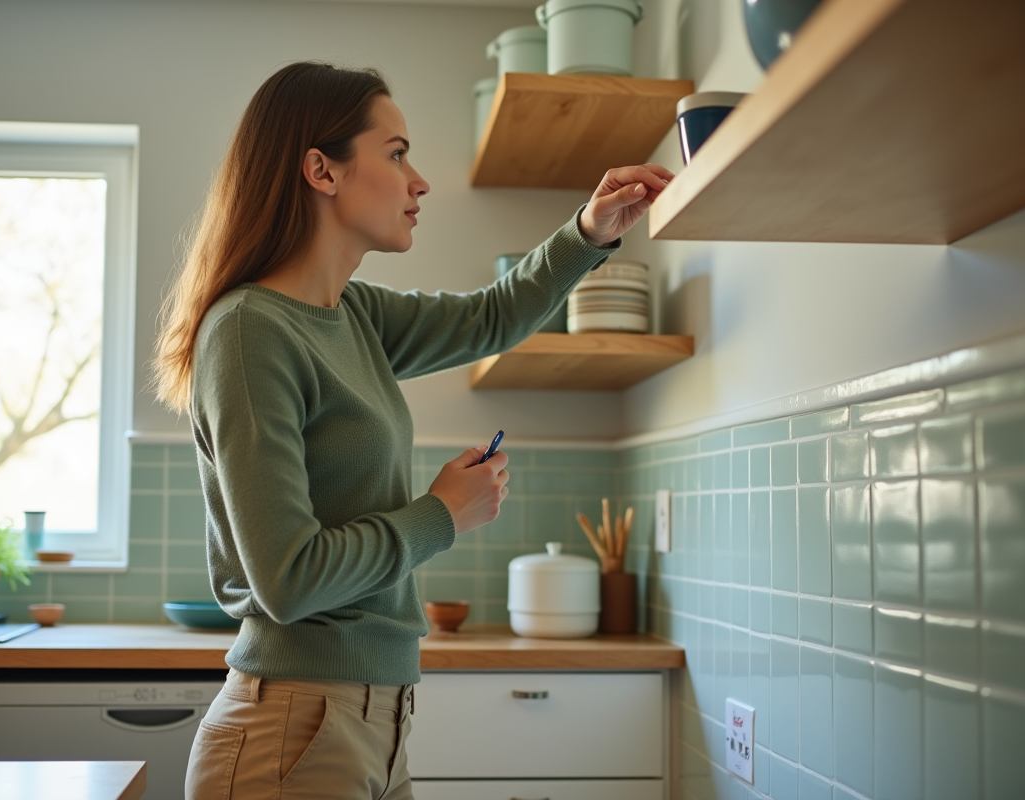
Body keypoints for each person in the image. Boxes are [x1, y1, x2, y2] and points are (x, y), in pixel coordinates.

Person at [152, 61, 673, 800]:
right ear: (320, 170)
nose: (419, 181)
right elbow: (288, 580)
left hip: (377, 722)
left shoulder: (354, 316)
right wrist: (442, 515)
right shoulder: (249, 331)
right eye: (396, 155)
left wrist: (590, 230)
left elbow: (492, 316)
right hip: (294, 732)